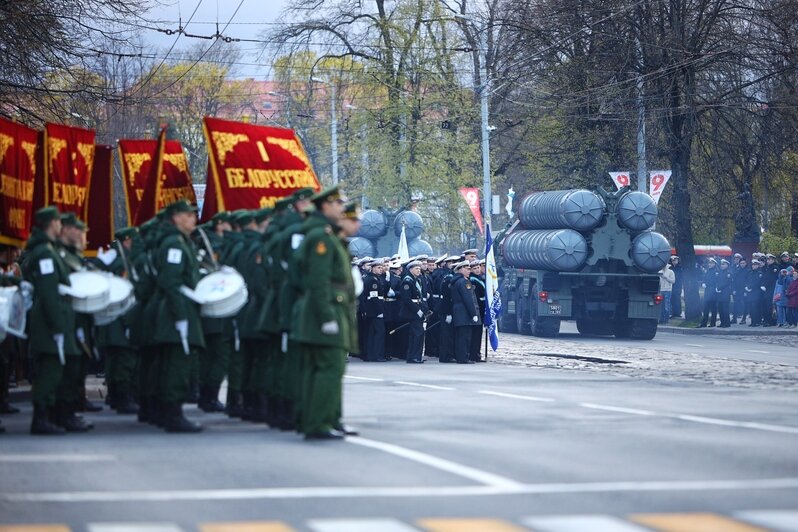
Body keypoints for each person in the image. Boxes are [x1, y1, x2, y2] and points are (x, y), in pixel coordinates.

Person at [292, 187, 357, 440]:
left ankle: (320, 419)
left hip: (327, 307)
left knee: (320, 369)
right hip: (325, 310)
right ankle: (318, 423)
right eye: (337, 203)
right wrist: (327, 317)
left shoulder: (325, 234)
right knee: (328, 368)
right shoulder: (321, 237)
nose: (341, 207)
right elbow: (317, 282)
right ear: (324, 207)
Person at [22, 206, 79, 435]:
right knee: (49, 371)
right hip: (48, 321)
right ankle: (41, 419)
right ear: (50, 224)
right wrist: (57, 326)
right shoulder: (45, 253)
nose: (60, 226)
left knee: (55, 369)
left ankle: (50, 416)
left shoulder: (49, 250)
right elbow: (48, 293)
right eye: (57, 223)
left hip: (52, 319)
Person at [153, 199, 205, 432]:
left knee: (176, 363)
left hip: (179, 309)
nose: (194, 219)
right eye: (189, 215)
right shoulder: (174, 244)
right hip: (176, 312)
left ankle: (170, 413)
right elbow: (171, 282)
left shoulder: (181, 242)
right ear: (176, 218)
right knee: (176, 365)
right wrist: (181, 316)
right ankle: (173, 415)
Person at [450, 261, 479, 364]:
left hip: (459, 312)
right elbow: (468, 299)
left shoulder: (457, 281)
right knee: (465, 337)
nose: (469, 271)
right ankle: (463, 358)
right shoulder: (464, 282)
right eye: (467, 269)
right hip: (464, 313)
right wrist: (473, 314)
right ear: (460, 269)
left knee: (460, 337)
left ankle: (460, 357)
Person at [399, 260, 426, 364]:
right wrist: (417, 310)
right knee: (417, 334)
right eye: (416, 268)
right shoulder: (407, 281)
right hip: (412, 312)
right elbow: (407, 299)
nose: (419, 270)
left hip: (417, 309)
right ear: (410, 269)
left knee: (417, 334)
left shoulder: (416, 279)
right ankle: (413, 356)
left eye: (419, 268)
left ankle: (415, 356)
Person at [361, 259, 388, 362]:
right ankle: (377, 355)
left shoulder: (375, 278)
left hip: (373, 310)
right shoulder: (373, 280)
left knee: (373, 333)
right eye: (379, 267)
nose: (381, 269)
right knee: (379, 333)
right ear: (372, 268)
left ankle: (371, 355)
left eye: (381, 267)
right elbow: (374, 298)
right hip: (375, 310)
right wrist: (379, 312)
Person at [745, 259, 766, 327]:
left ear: (758, 265)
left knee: (755, 308)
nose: (753, 266)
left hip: (756, 292)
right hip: (750, 292)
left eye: (755, 265)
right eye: (753, 265)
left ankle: (756, 321)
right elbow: (747, 280)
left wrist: (750, 287)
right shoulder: (750, 273)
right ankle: (752, 321)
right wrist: (746, 287)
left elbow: (757, 283)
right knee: (751, 308)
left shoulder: (760, 273)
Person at [698, 258, 718, 327]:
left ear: (714, 264)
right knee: (705, 309)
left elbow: (714, 281)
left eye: (711, 263)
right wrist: (703, 283)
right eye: (709, 263)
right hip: (707, 292)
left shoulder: (716, 272)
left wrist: (707, 284)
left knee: (713, 309)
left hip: (713, 293)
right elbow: (704, 279)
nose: (710, 264)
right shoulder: (708, 271)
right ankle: (704, 323)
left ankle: (713, 323)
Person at [715, 259, 733, 327]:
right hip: (719, 293)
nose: (722, 266)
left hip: (725, 292)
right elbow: (717, 281)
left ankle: (727, 323)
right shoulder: (719, 272)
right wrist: (717, 288)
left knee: (725, 309)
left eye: (724, 264)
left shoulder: (729, 273)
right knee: (720, 309)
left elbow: (726, 283)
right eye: (721, 264)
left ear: (727, 265)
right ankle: (722, 322)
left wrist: (719, 288)